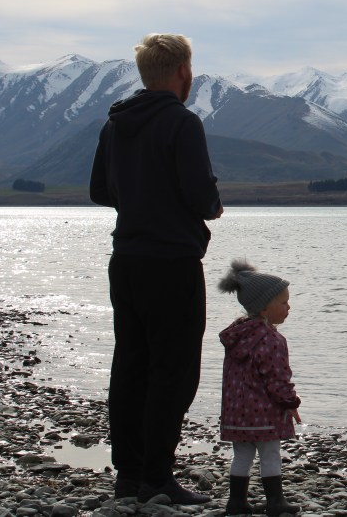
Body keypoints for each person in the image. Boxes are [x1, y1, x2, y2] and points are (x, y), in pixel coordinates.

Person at [90, 33, 224, 504]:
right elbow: (202, 198)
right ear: (183, 72)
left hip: (125, 260)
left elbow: (100, 191)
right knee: (174, 371)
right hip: (172, 262)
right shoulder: (182, 124)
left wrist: (139, 202)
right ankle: (157, 477)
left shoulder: (115, 124)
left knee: (130, 365)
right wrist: (209, 199)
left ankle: (128, 475)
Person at [217, 259, 302, 516]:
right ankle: (275, 502)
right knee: (270, 454)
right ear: (264, 308)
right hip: (264, 412)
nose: (288, 307)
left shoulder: (237, 335)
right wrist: (290, 403)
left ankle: (237, 502)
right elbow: (276, 377)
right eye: (283, 302)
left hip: (237, 413)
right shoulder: (271, 339)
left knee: (241, 455)